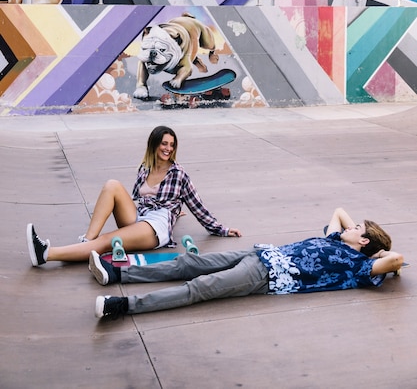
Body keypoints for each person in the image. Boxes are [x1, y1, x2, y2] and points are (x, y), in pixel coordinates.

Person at [90, 207, 405, 320]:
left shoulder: (356, 267)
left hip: (265, 274)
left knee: (197, 288)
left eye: (358, 230)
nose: (351, 226)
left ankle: (123, 305)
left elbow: (397, 259)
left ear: (363, 242)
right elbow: (339, 210)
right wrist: (363, 237)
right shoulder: (337, 239)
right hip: (258, 254)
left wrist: (375, 252)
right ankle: (118, 272)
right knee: (189, 264)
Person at [27, 125, 241, 267]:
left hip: (155, 225)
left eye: (172, 145)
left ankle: (47, 254)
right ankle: (87, 240)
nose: (168, 148)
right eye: (164, 143)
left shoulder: (179, 174)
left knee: (109, 241)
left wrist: (221, 229)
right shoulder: (145, 167)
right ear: (155, 143)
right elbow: (136, 197)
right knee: (112, 185)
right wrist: (173, 210)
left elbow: (198, 207)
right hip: (140, 215)